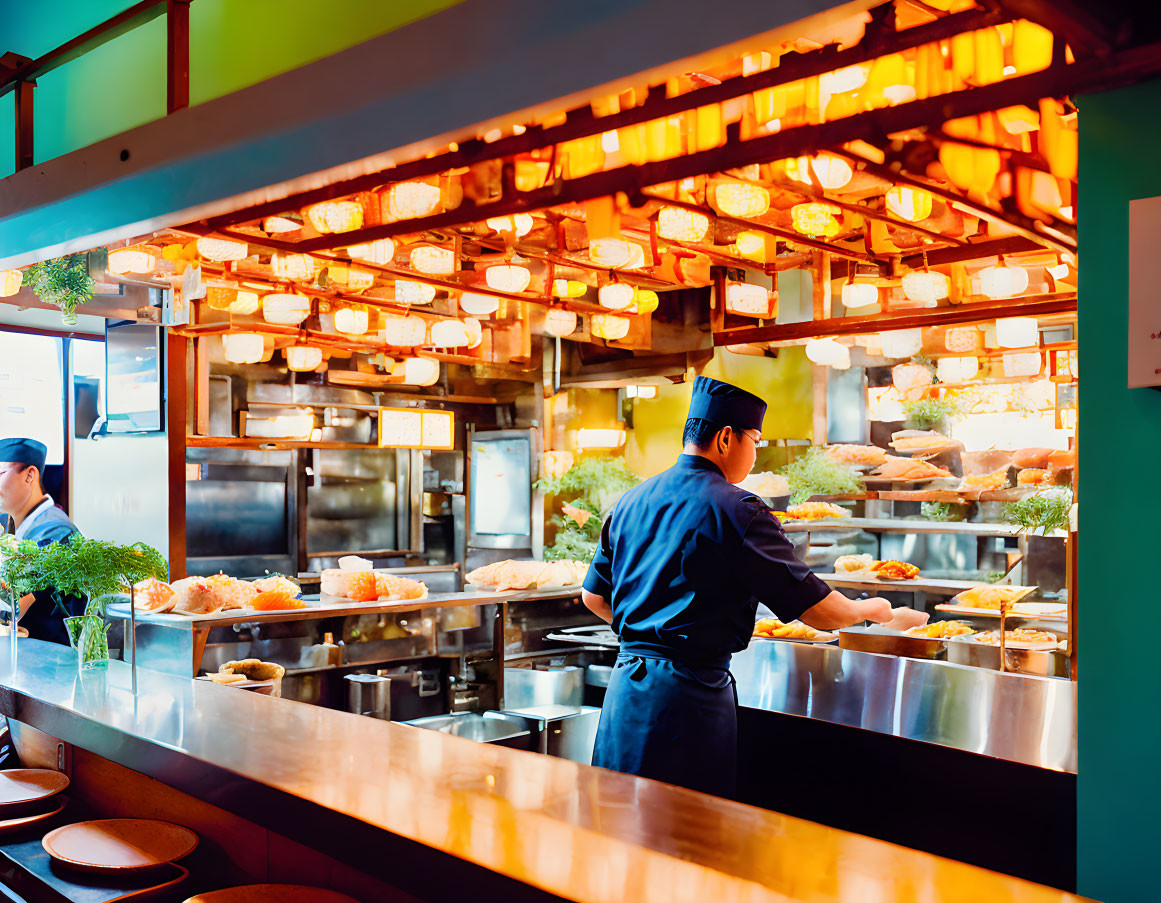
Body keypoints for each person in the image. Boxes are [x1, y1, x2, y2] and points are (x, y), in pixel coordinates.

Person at [580, 376, 928, 798]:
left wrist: (649, 630)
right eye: (755, 441)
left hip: (626, 691)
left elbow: (594, 596)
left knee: (617, 826)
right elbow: (821, 612)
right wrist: (874, 609)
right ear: (726, 439)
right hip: (688, 699)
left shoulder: (631, 500)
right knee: (689, 835)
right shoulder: (737, 508)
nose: (755, 452)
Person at [0, 438, 83, 644]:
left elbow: (17, 606)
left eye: (1, 473)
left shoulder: (56, 533)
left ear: (30, 475)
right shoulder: (8, 522)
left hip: (49, 656)